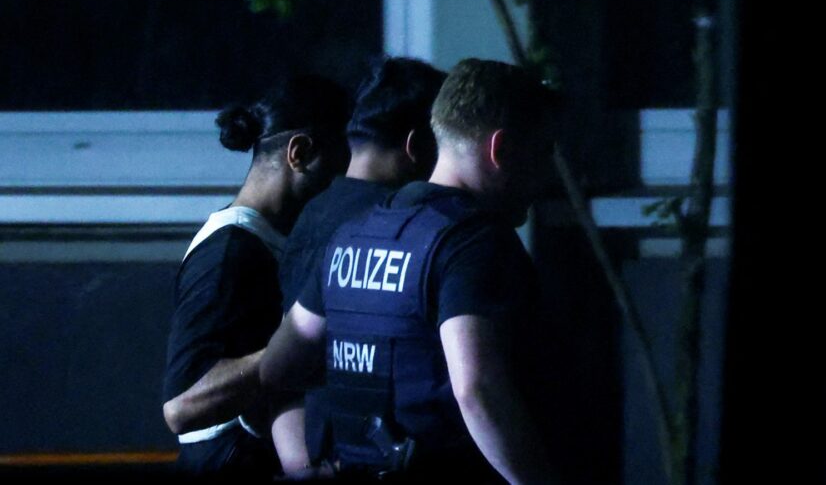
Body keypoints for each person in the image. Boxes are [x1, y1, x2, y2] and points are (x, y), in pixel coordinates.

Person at [260, 59, 561, 483]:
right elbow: (476, 390)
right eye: (542, 152)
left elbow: (278, 366)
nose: (547, 175)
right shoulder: (474, 243)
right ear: (500, 149)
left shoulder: (354, 232)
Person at [161, 74, 350, 479]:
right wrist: (295, 346)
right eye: (338, 166)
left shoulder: (271, 240)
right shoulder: (230, 252)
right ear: (299, 153)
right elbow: (180, 407)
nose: (342, 185)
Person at [271, 56, 445, 475]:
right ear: (417, 146)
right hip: (373, 452)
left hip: (323, 448)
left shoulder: (313, 213)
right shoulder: (394, 226)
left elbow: (285, 367)